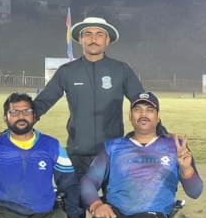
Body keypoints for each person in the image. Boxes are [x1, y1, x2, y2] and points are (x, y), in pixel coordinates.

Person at [33, 16, 146, 177]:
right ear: (80, 39)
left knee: (114, 202)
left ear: (107, 41)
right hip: (78, 154)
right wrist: (12, 130)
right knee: (76, 201)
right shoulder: (67, 71)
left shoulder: (121, 70)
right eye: (88, 34)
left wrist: (161, 135)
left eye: (100, 34)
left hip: (112, 153)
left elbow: (143, 104)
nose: (93, 39)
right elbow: (41, 103)